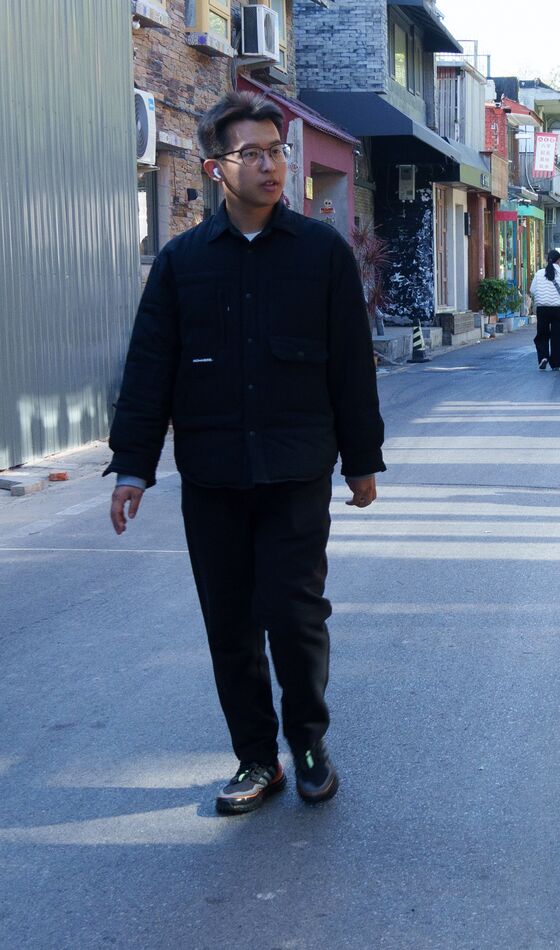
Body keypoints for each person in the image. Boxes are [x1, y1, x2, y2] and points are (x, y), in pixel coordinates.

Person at [105, 91, 385, 814]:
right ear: (215, 168)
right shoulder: (182, 263)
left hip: (296, 469)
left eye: (276, 151)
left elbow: (350, 367)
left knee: (295, 617)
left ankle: (309, 743)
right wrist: (133, 464)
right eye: (252, 153)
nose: (270, 166)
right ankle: (257, 758)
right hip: (214, 474)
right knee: (230, 624)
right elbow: (150, 367)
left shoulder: (321, 254)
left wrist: (362, 460)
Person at [529, 249, 560, 370]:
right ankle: (556, 364)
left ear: (547, 259)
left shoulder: (539, 273)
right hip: (559, 309)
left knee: (542, 334)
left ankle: (543, 357)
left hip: (542, 308)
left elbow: (532, 290)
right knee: (558, 337)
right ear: (559, 260)